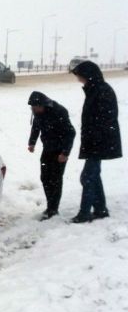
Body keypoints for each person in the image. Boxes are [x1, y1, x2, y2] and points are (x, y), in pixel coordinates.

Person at [70, 61, 122, 223]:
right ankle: (100, 210)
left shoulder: (102, 91)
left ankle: (84, 213)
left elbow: (105, 119)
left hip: (99, 142)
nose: (79, 80)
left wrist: (95, 140)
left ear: (88, 75)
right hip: (95, 141)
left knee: (87, 177)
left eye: (80, 76)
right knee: (93, 176)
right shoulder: (95, 89)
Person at [27, 91, 76, 220]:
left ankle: (53, 209)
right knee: (45, 178)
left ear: (42, 104)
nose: (34, 110)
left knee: (55, 179)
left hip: (60, 151)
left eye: (35, 107)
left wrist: (65, 153)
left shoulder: (59, 112)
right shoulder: (38, 112)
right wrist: (32, 142)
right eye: (32, 108)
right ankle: (50, 205)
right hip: (47, 149)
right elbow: (36, 127)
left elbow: (71, 133)